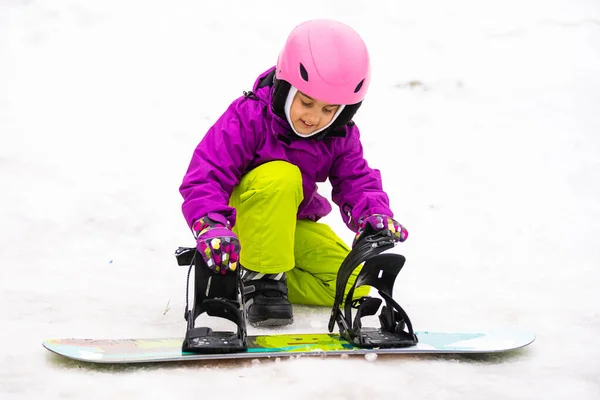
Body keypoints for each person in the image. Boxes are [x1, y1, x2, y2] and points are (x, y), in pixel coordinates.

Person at [179, 19, 408, 328]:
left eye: (329, 110)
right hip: (243, 218)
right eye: (307, 102)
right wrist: (210, 225)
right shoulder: (248, 116)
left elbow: (356, 180)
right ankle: (261, 280)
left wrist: (374, 216)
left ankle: (245, 274)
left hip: (287, 226)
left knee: (352, 280)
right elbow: (207, 174)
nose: (314, 117)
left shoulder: (339, 135)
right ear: (286, 87)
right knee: (282, 176)